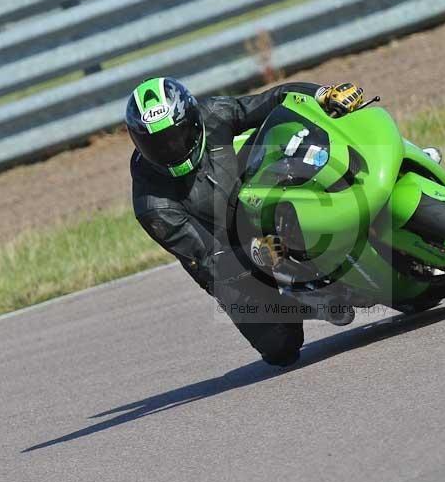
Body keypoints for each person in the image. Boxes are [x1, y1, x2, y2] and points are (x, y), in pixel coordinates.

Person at [125, 77, 365, 366]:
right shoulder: (153, 204)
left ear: (193, 120)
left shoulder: (212, 114)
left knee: (288, 133)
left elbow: (273, 99)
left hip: (256, 196)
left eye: (177, 136)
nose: (172, 148)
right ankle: (308, 301)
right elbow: (208, 260)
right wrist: (256, 252)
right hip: (229, 256)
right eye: (158, 145)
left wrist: (323, 94)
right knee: (281, 349)